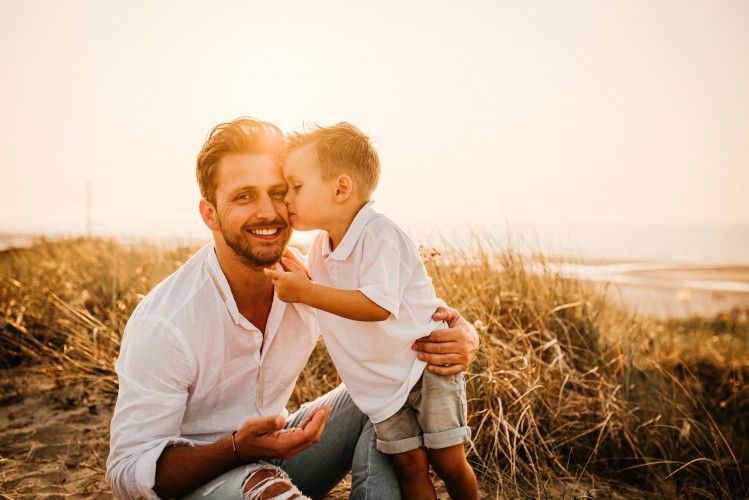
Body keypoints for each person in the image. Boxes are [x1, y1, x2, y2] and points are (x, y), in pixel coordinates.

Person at [105, 117, 480, 500]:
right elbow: (126, 474)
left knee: (384, 392)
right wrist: (236, 448)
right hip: (202, 484)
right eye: (244, 196)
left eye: (282, 191)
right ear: (209, 214)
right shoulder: (166, 324)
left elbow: (387, 302)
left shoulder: (306, 277)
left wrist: (461, 333)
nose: (270, 211)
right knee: (265, 487)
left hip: (278, 456)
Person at [265, 123, 478, 499]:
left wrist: (308, 291)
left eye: (296, 187)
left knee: (448, 462)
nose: (287, 199)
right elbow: (334, 293)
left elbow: (377, 305)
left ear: (341, 188)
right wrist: (306, 280)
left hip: (424, 366)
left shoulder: (379, 234)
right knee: (410, 466)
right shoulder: (320, 247)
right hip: (381, 389)